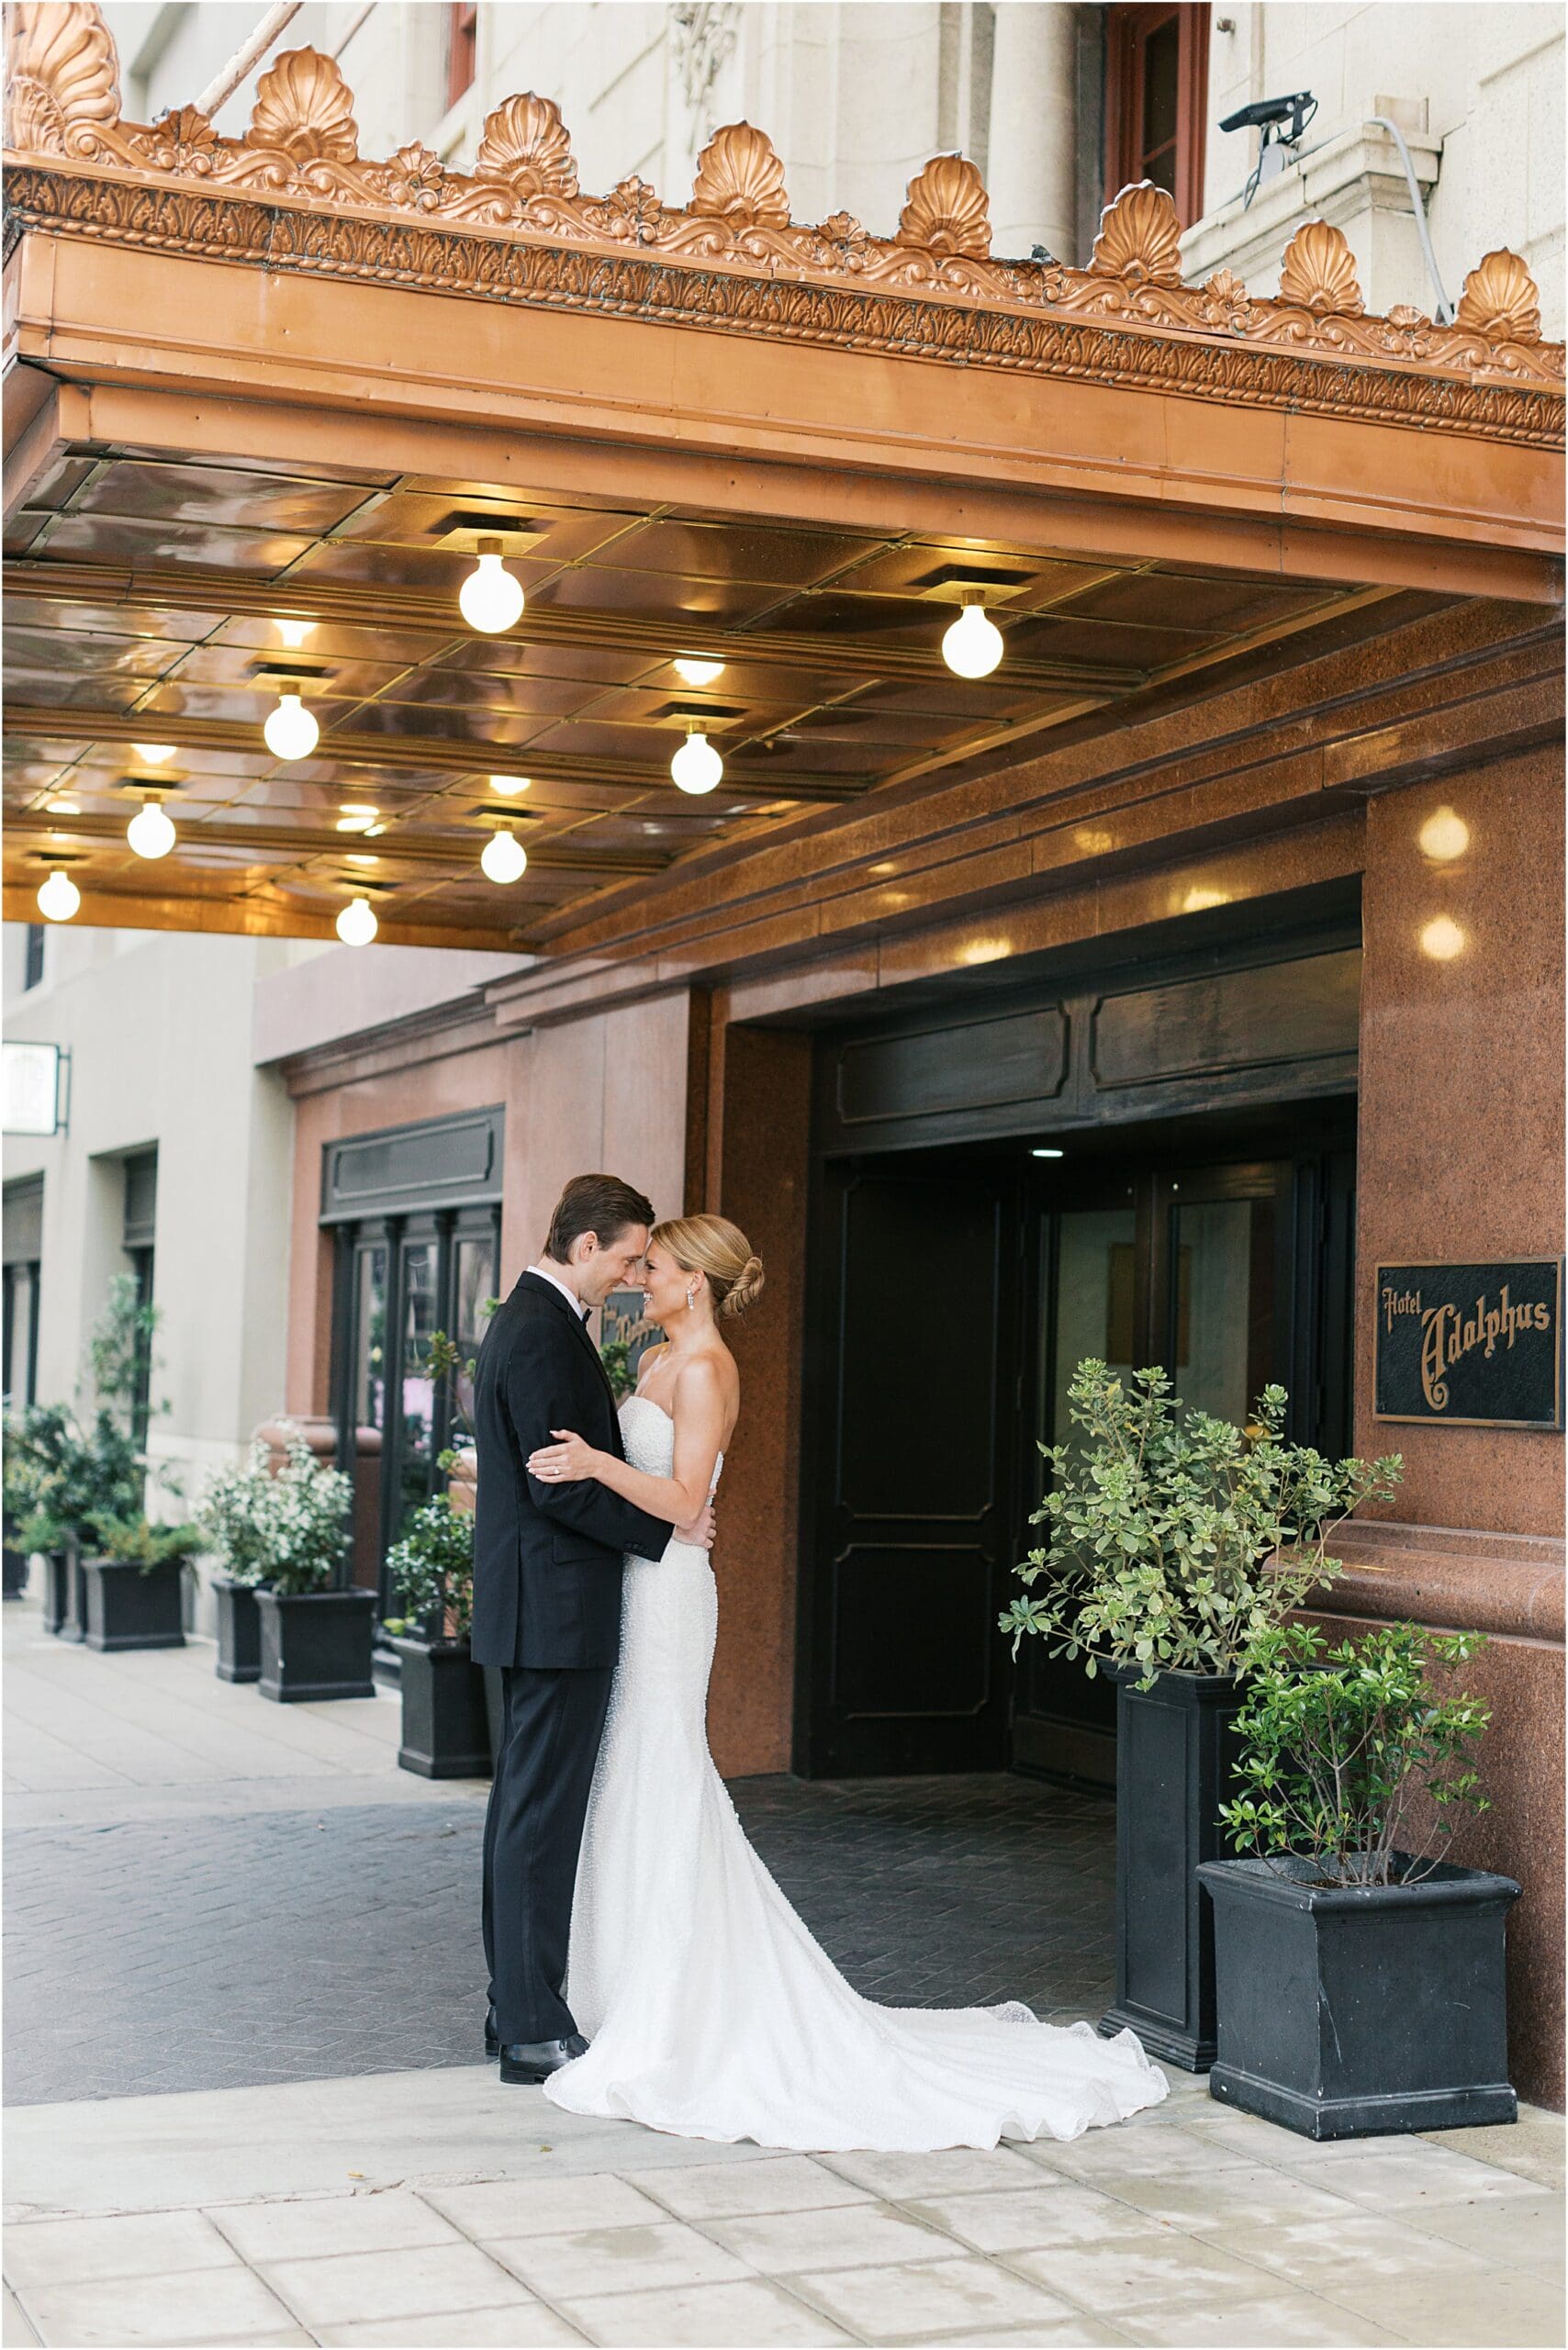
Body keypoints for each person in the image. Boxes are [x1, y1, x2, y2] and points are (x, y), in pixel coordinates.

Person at [525, 1212, 1168, 2151]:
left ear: (693, 1282)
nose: (640, 1282)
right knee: (629, 1767)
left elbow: (686, 1501)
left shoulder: (706, 1369)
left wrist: (592, 1464)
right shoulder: (653, 1363)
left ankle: (676, 1998)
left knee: (662, 1761)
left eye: (653, 1269)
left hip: (668, 1593)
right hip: (636, 1580)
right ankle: (623, 1983)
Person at [471, 1173, 716, 2087]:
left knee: (524, 1812)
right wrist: (665, 1528)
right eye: (624, 1255)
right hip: (552, 1608)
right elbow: (553, 1481)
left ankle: (516, 2009)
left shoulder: (540, 1321)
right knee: (536, 1818)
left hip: (541, 1603)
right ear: (584, 1247)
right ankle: (531, 2025)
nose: (629, 1272)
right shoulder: (539, 1330)